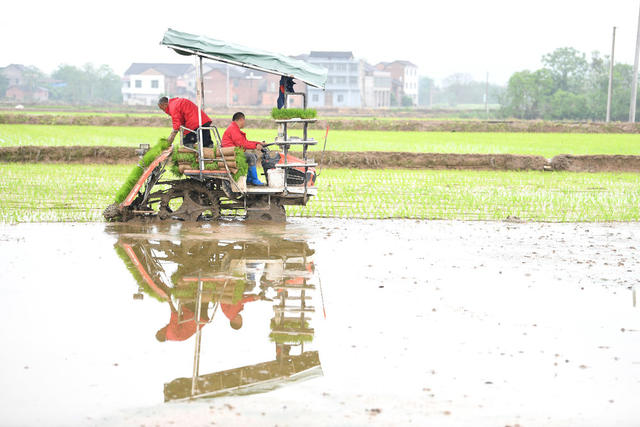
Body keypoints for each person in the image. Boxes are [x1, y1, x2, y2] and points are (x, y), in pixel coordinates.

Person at [221, 112, 264, 186]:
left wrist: (258, 143)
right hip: (231, 153)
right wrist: (255, 146)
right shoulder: (233, 129)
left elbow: (244, 142)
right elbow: (242, 144)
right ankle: (254, 180)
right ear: (241, 119)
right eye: (244, 120)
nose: (244, 123)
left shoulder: (234, 128)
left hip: (233, 152)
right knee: (251, 156)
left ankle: (249, 179)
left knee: (254, 156)